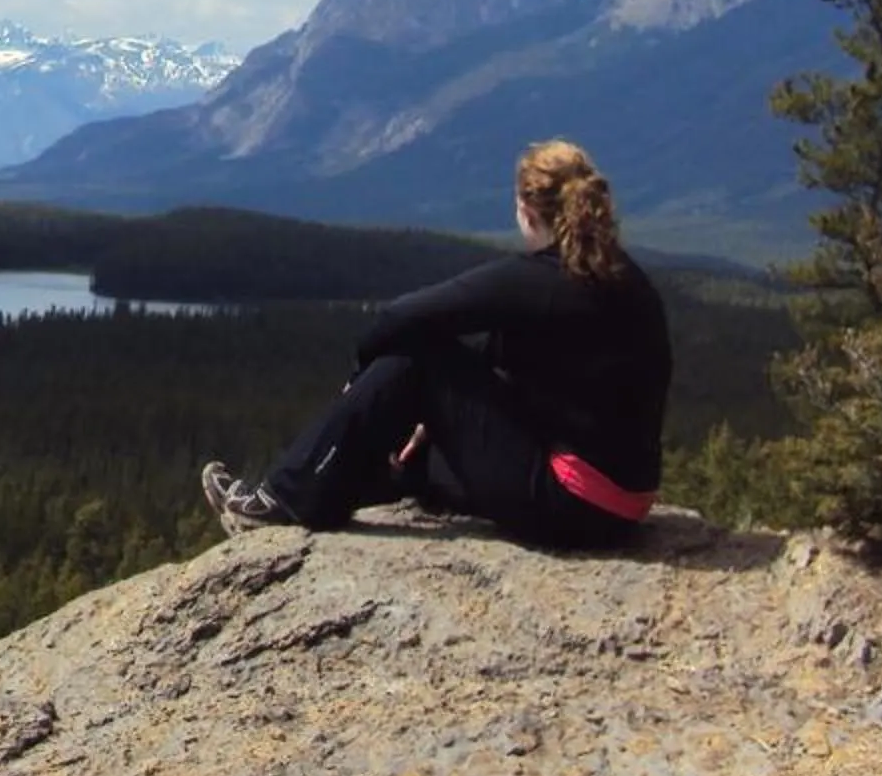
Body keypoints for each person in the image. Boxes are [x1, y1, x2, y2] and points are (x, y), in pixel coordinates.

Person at [199, 139, 670, 549]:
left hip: (571, 502)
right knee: (418, 461)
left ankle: (281, 500)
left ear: (527, 212)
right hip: (621, 505)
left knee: (419, 358)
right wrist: (435, 421)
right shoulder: (625, 278)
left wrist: (360, 381)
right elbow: (526, 381)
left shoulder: (539, 280)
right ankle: (341, 489)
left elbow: (401, 316)